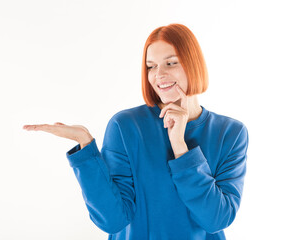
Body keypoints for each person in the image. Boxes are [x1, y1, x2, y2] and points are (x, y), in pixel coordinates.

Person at [23, 23, 249, 240]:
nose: (158, 75)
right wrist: (85, 148)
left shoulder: (230, 133)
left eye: (171, 63)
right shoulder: (125, 126)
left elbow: (217, 219)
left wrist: (180, 146)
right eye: (151, 66)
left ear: (193, 64)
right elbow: (113, 220)